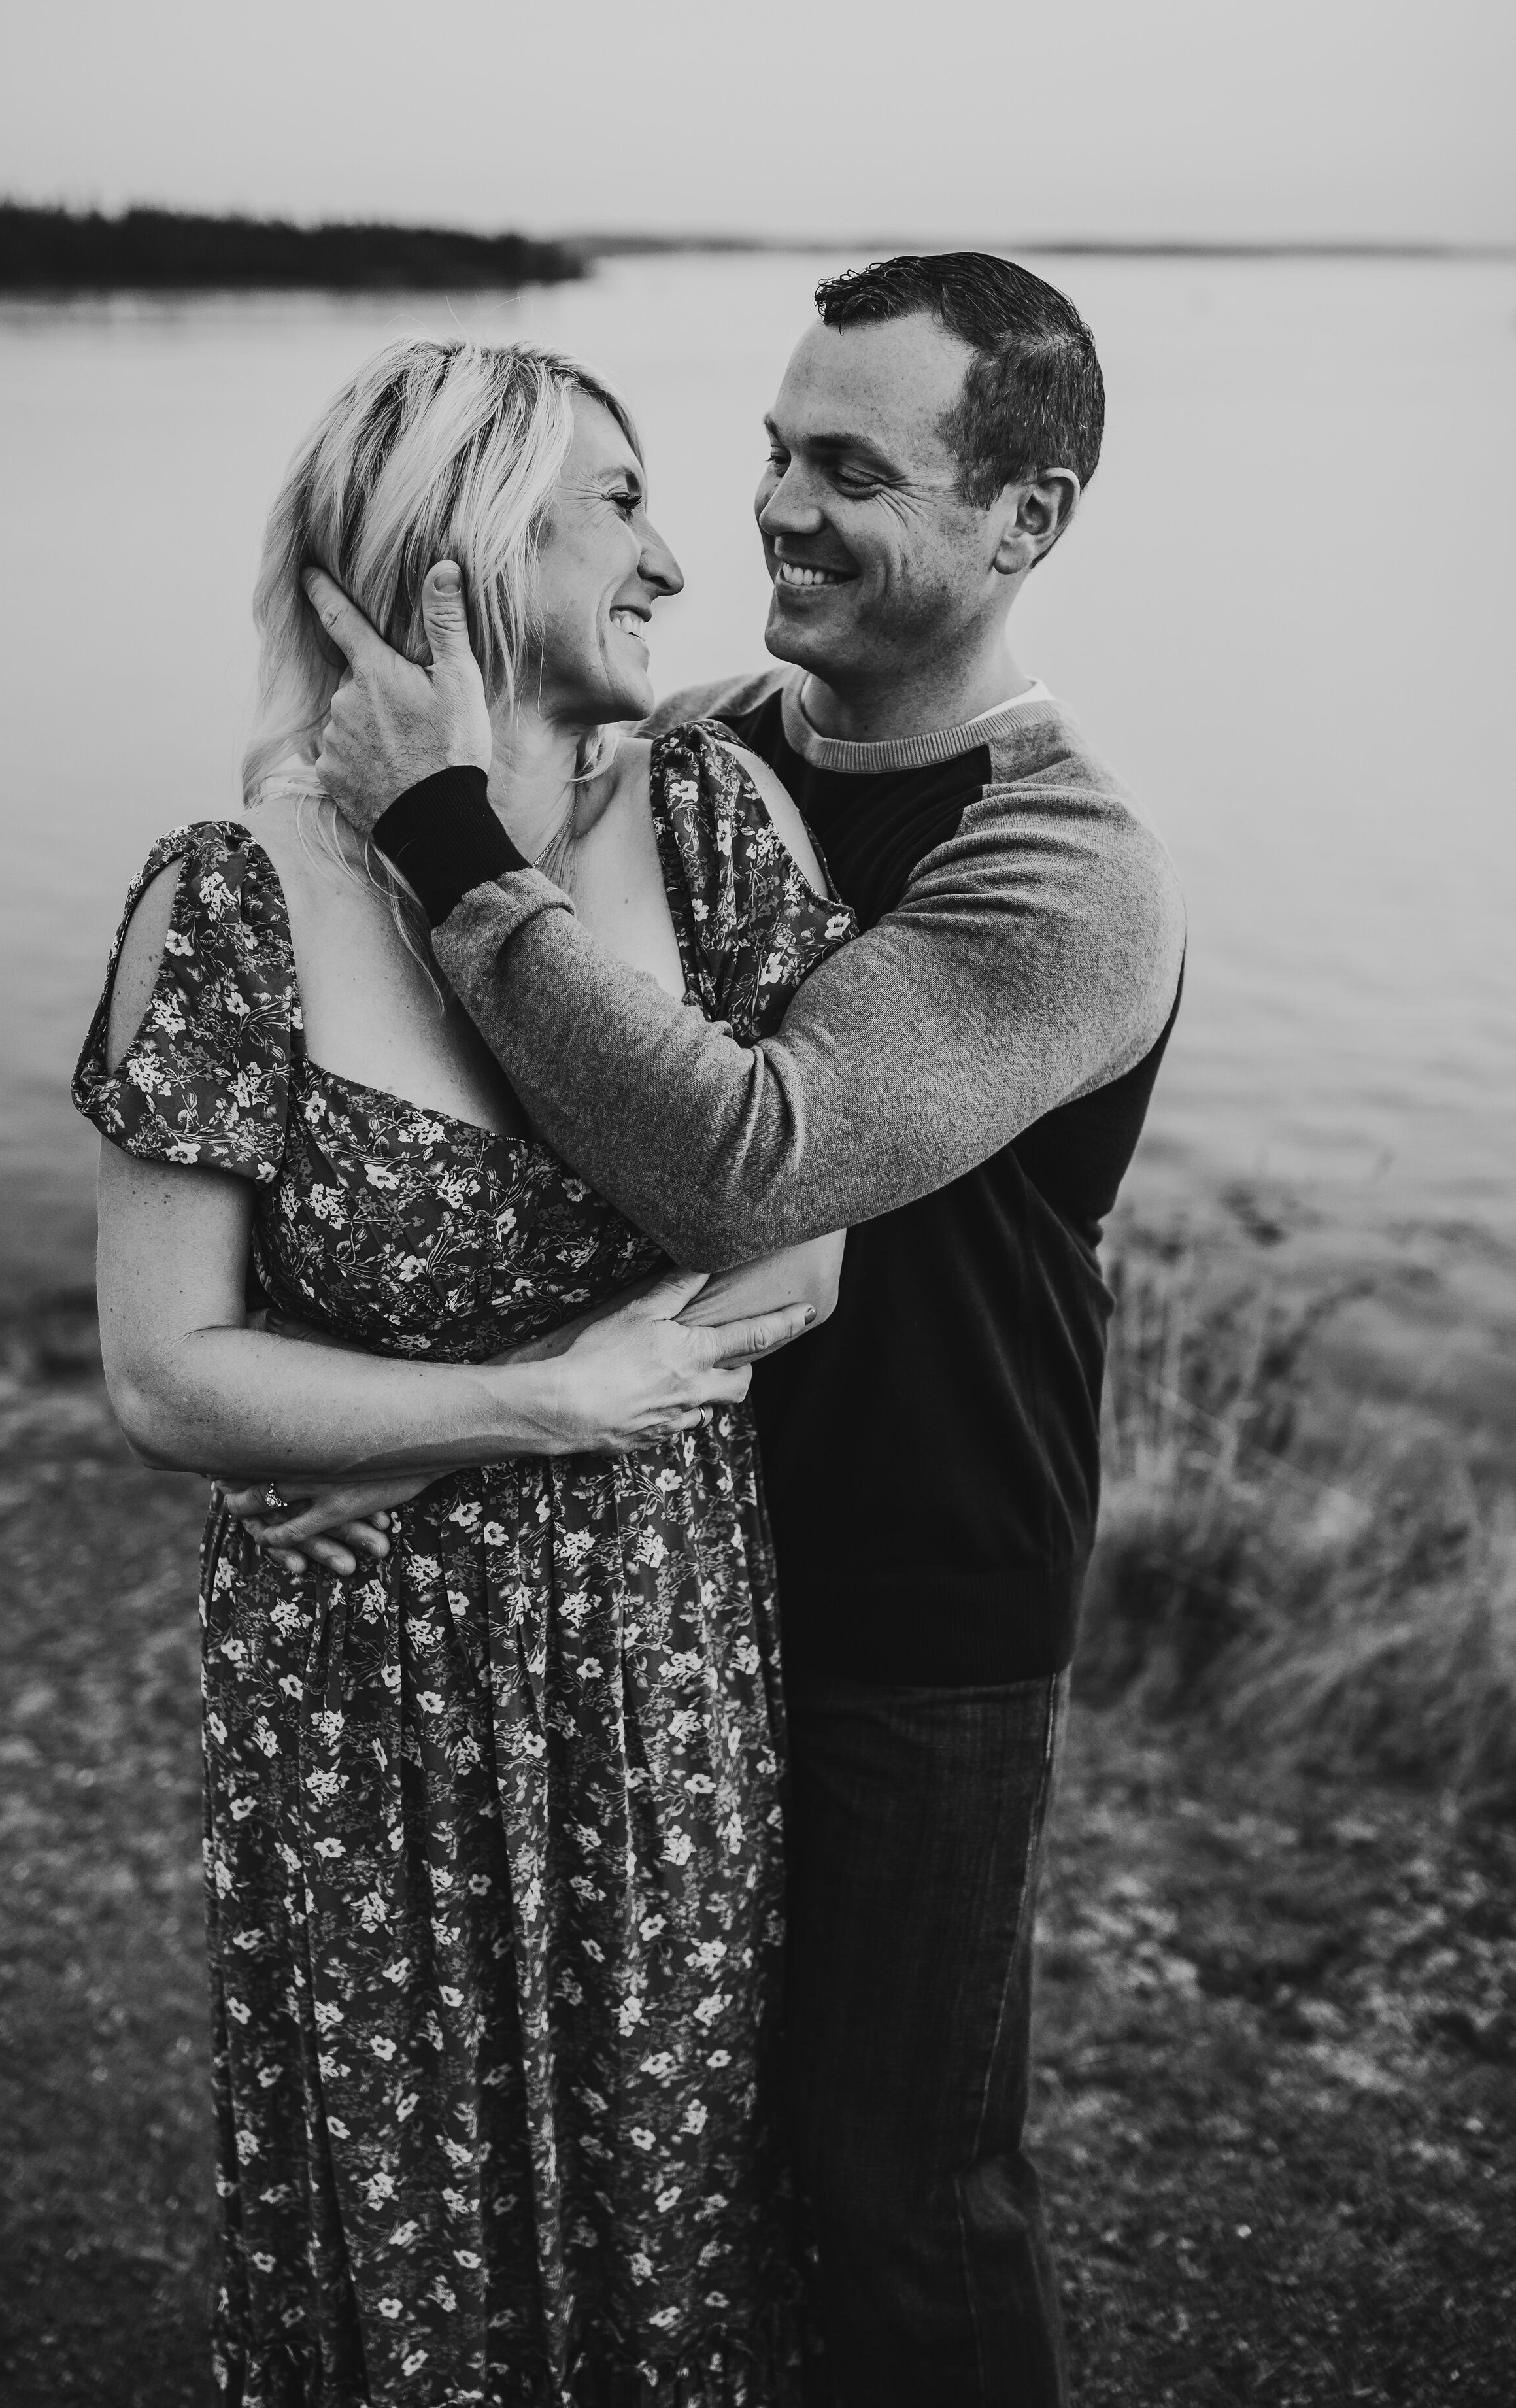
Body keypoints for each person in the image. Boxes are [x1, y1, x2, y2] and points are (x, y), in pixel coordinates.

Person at [288, 252, 1188, 2407]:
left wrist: (437, 827)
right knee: (679, 2181)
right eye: (771, 451)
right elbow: (483, 1113)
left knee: (898, 2192)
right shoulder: (694, 755)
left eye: (850, 470)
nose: (774, 509)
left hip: (912, 1610)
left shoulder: (1062, 868)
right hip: (655, 1584)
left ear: (1021, 521)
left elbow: (742, 1161)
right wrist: (374, 1420)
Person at [73, 334, 861, 2404]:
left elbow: (802, 1254)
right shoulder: (227, 904)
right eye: (615, 501)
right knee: (399, 2219)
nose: (678, 560)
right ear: (465, 537)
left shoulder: (712, 822)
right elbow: (167, 1379)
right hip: (361, 1696)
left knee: (664, 2185)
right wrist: (529, 1406)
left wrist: (440, 1425)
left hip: (654, 1655)